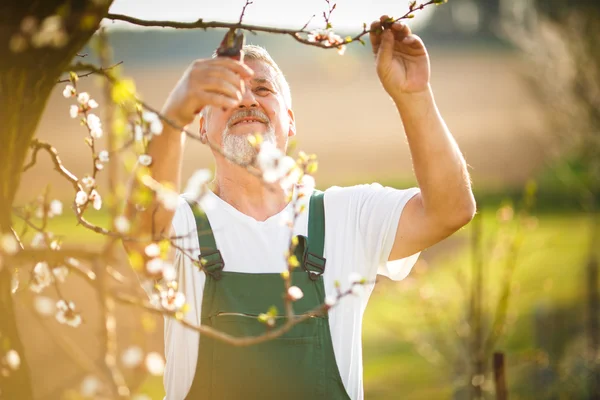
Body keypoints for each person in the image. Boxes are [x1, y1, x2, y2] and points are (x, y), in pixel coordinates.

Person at [126, 15, 476, 400]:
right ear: (202, 126)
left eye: (262, 88)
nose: (246, 99)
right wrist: (173, 112)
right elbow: (138, 235)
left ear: (289, 122)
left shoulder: (344, 218)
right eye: (226, 93)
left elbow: (451, 209)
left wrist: (414, 95)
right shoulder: (183, 227)